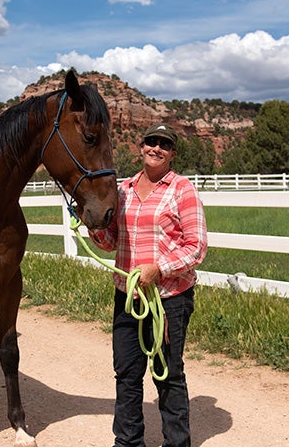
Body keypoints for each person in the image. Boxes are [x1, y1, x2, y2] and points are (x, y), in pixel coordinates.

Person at [89, 123, 207, 447]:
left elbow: (196, 246)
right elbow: (113, 241)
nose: (156, 148)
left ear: (173, 154)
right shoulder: (124, 189)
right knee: (127, 375)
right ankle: (127, 442)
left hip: (167, 299)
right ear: (141, 147)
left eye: (164, 144)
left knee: (167, 375)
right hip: (128, 296)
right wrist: (94, 226)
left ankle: (177, 443)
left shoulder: (182, 189)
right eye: (151, 142)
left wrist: (159, 269)